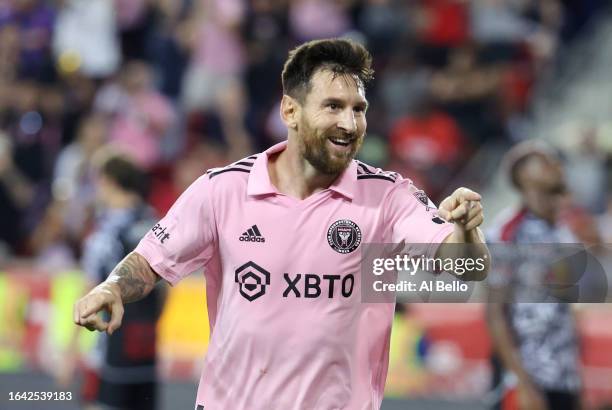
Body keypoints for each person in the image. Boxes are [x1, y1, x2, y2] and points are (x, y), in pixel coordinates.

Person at [74, 38, 489, 410]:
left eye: (358, 109)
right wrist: (112, 287)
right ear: (290, 110)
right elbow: (150, 259)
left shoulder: (388, 196)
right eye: (333, 106)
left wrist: (467, 229)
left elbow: (468, 268)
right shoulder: (223, 190)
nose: (350, 123)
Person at [486, 141, 581, 410]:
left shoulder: (563, 233)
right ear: (524, 174)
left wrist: (577, 378)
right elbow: (495, 314)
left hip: (564, 377)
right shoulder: (507, 232)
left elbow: (567, 313)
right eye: (546, 162)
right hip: (527, 377)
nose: (557, 167)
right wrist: (522, 382)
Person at [67, 152, 166, 410]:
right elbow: (165, 286)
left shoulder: (105, 233)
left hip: (109, 350)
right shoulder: (156, 222)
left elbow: (90, 291)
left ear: (108, 181)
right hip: (145, 347)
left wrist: (70, 350)